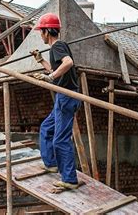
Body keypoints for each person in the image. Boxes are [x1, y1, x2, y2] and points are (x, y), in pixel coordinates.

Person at [30, 13, 81, 190]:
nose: (40, 35)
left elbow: (68, 63)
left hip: (66, 97)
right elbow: (57, 68)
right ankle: (51, 164)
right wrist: (41, 61)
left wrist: (50, 78)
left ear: (47, 31)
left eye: (41, 32)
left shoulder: (57, 46)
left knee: (60, 139)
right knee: (46, 128)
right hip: (64, 96)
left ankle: (70, 179)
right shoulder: (56, 48)